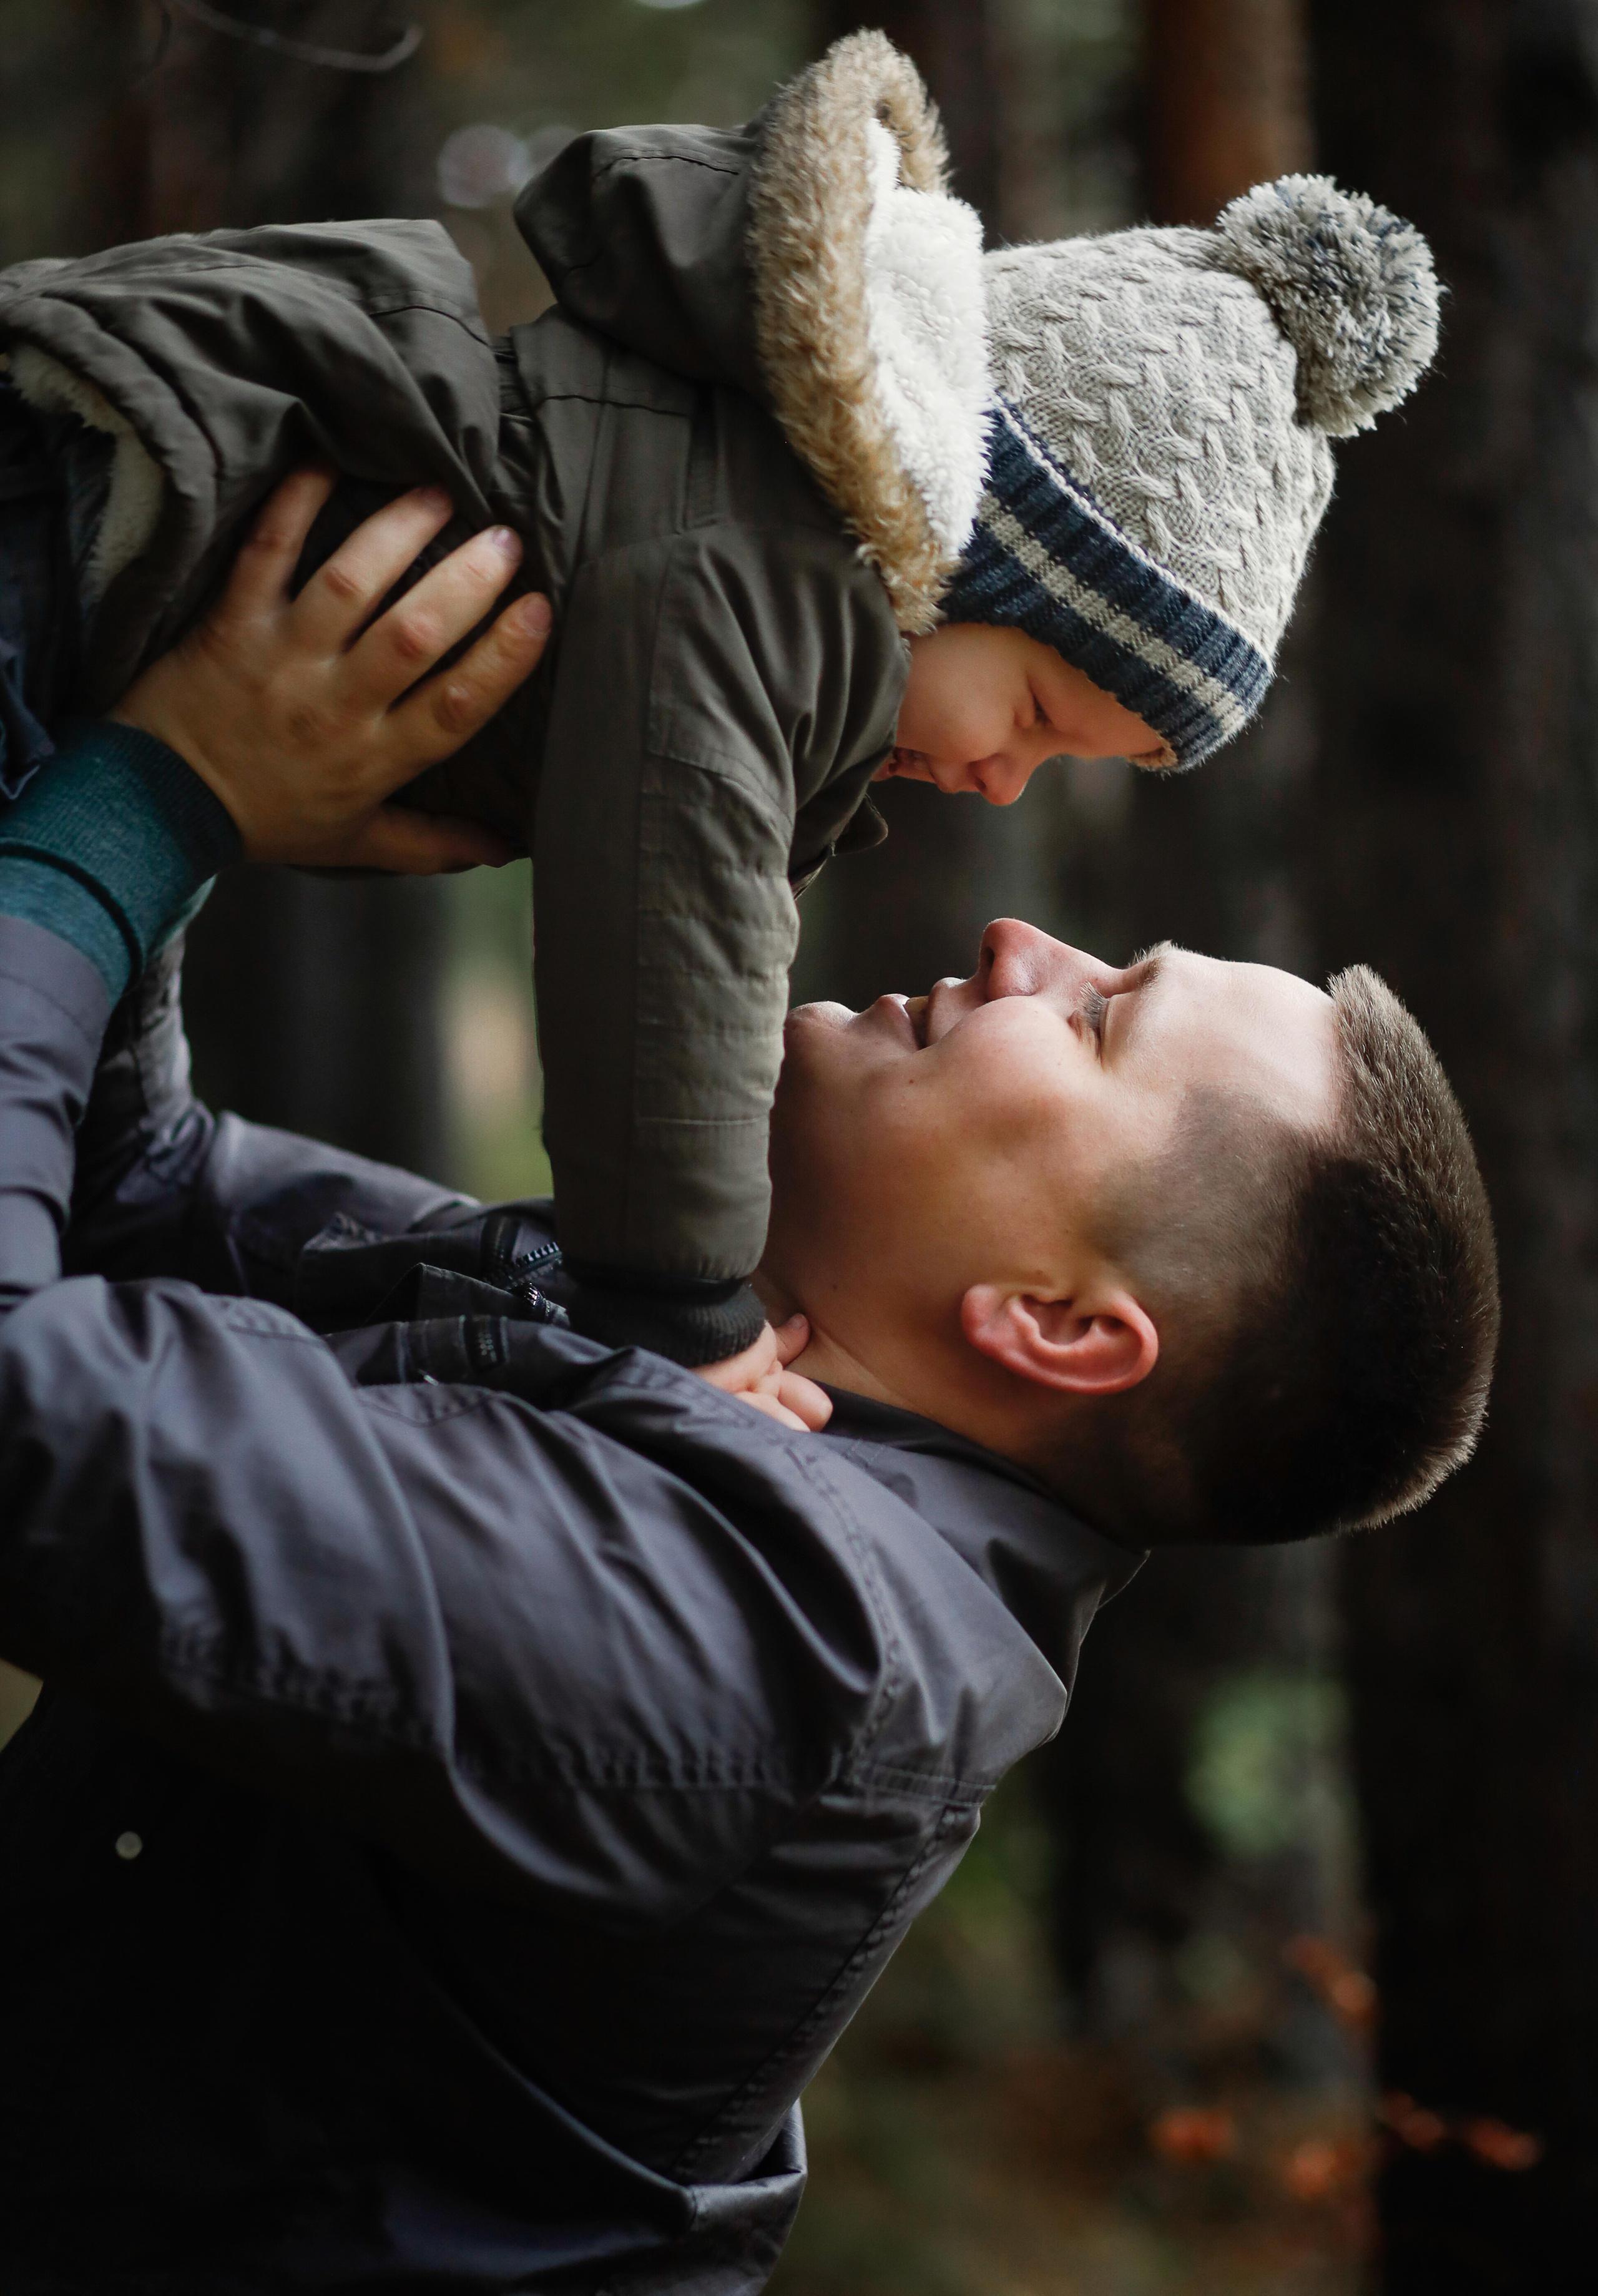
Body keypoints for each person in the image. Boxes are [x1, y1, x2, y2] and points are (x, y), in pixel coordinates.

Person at [0, 475, 1496, 2295]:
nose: (1025, 944)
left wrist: (158, 797)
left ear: (1056, 1320)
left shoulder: (778, 1639)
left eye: (1100, 1015)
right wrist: (165, 704)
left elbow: (24, 1402)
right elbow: (135, 1201)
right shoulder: (724, 1359)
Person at [0, 30, 1444, 1378]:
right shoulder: (764, 580)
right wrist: (681, 1310)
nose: (1006, 782)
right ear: (980, 555)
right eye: (1044, 718)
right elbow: (668, 922)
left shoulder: (729, 536)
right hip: (79, 519)